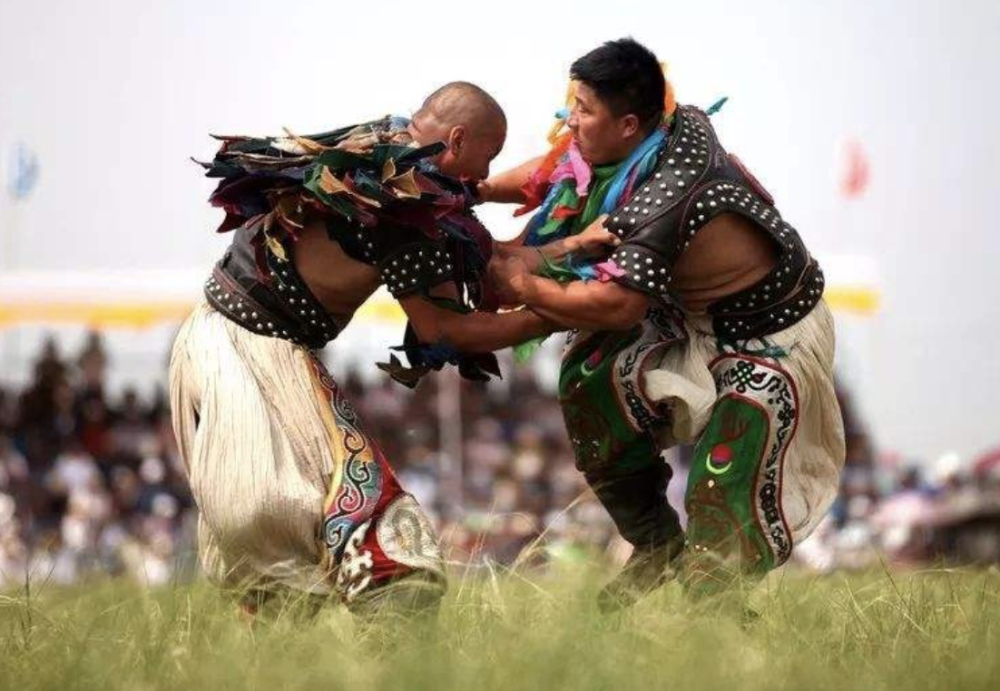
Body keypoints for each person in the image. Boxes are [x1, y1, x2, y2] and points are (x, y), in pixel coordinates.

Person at [169, 82, 587, 616]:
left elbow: (485, 239)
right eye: (488, 155)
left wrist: (572, 236)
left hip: (225, 340)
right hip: (251, 353)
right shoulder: (403, 206)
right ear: (457, 139)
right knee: (370, 549)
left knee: (287, 545)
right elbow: (444, 330)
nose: (487, 172)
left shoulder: (381, 144)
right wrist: (552, 314)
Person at [483, 38, 845, 608]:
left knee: (723, 485)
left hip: (772, 337)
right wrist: (471, 189)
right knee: (589, 375)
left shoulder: (663, 196)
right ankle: (654, 542)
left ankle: (719, 632)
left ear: (628, 124)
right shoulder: (651, 130)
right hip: (689, 324)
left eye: (584, 109)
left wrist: (524, 285)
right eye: (573, 102)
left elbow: (619, 306)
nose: (569, 120)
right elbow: (561, 171)